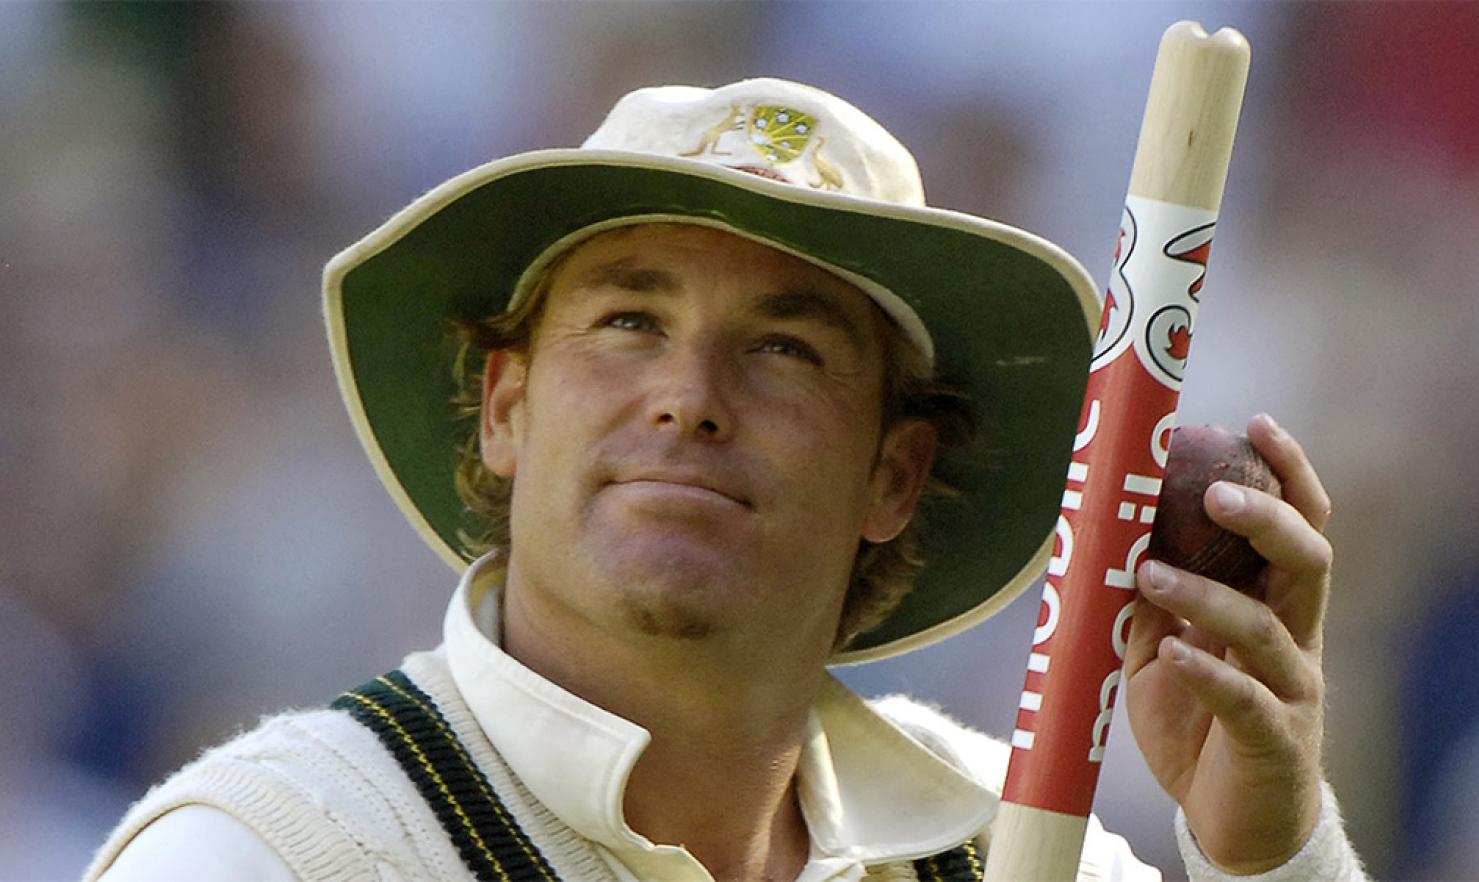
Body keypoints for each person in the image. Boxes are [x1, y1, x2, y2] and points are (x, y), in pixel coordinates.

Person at [83, 78, 1368, 882]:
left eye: (783, 348)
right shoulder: (270, 855)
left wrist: (1268, 858)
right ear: (507, 410)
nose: (690, 394)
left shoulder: (1013, 854)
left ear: (895, 476)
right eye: (630, 322)